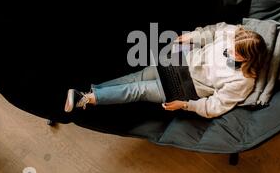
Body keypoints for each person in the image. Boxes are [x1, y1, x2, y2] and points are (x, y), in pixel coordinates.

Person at [64, 22, 267, 118]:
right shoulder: (235, 34)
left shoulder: (243, 80)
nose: (228, 50)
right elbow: (212, 32)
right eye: (230, 46)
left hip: (186, 88)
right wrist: (191, 37)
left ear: (248, 58)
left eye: (235, 53)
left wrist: (186, 105)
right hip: (180, 61)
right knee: (136, 77)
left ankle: (85, 98)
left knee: (139, 90)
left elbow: (216, 105)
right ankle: (91, 95)